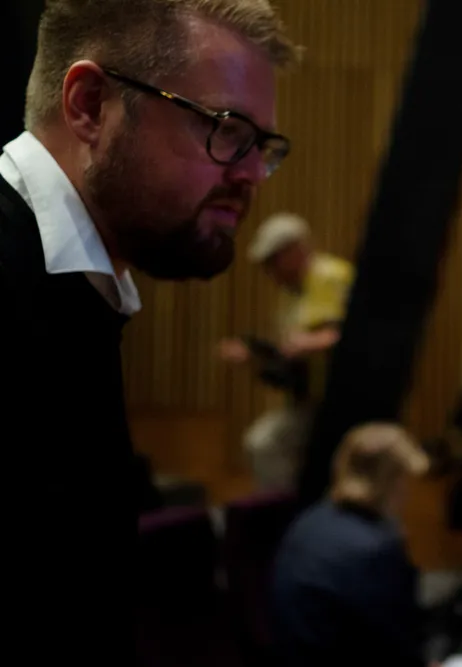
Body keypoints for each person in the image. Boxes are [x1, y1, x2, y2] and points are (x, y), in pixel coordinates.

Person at [0, 0, 296, 660]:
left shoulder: (85, 292)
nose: (251, 173)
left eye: (263, 147)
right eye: (226, 128)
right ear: (89, 105)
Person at [271, 422, 431, 667]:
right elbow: (397, 650)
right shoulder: (377, 549)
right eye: (406, 481)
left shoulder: (307, 523)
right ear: (392, 481)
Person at [218, 212, 354, 490]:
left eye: (273, 260)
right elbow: (291, 360)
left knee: (265, 443)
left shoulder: (331, 276)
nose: (269, 271)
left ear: (296, 249)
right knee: (267, 446)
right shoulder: (292, 295)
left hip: (345, 403)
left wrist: (312, 342)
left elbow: (357, 334)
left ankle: (284, 512)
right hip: (312, 402)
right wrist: (255, 357)